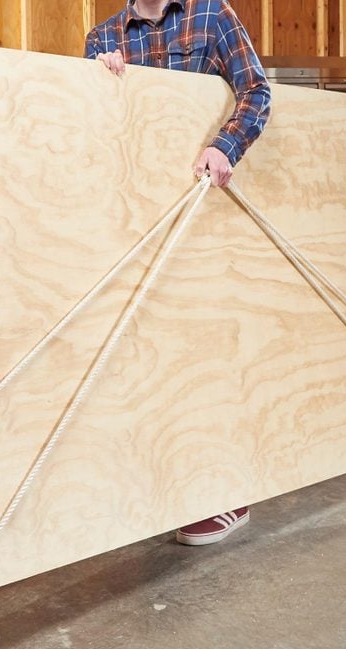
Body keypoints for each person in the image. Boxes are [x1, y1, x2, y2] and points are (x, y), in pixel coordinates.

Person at [84, 0, 271, 545]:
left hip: (205, 213)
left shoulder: (212, 16)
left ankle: (223, 490)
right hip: (135, 218)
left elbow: (256, 91)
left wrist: (222, 143)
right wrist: (102, 85)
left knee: (208, 349)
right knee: (144, 355)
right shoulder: (103, 37)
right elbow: (95, 133)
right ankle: (158, 484)